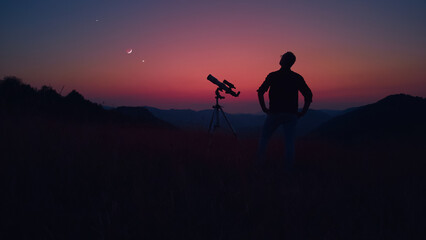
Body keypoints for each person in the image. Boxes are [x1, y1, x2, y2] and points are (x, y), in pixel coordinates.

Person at [257, 52, 313, 171]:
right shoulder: (297, 77)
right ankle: (288, 170)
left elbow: (261, 91)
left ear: (282, 61)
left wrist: (263, 108)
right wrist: (303, 112)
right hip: (291, 114)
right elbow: (308, 95)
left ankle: (259, 165)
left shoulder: (273, 76)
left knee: (264, 139)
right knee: (289, 143)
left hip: (274, 113)